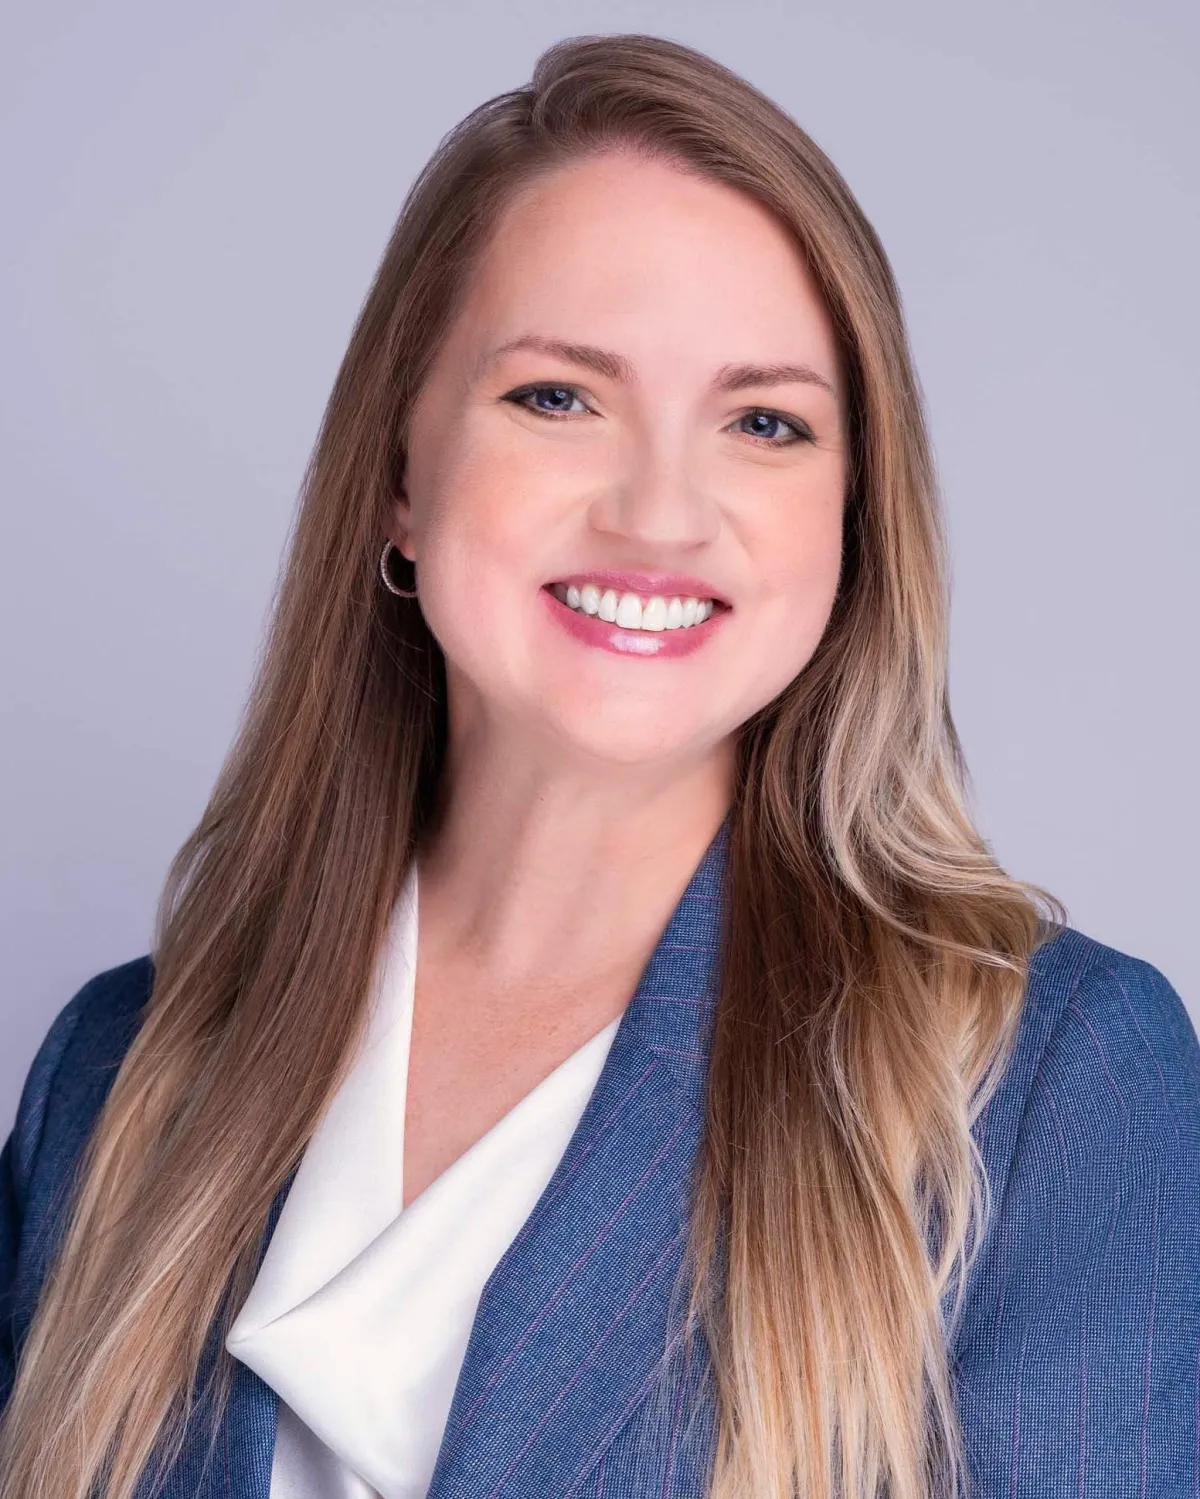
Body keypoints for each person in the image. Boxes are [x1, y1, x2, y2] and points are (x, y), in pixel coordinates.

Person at [1, 30, 1197, 1499]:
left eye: (766, 423)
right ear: (399, 478)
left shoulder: (1053, 1082)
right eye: (559, 396)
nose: (660, 513)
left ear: (852, 522)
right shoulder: (116, 1078)